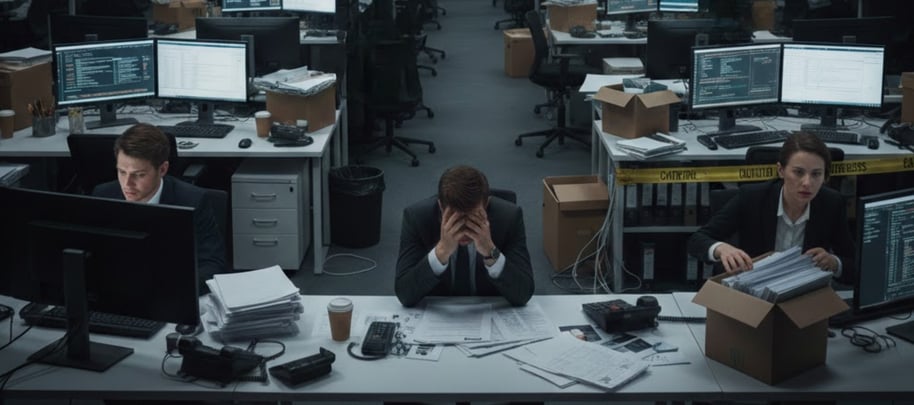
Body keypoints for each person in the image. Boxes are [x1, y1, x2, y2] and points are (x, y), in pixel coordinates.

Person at [687, 131, 855, 284]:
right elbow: (697, 240)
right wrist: (721, 248)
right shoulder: (753, 198)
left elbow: (854, 263)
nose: (807, 183)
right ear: (781, 170)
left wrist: (835, 263)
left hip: (802, 293)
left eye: (816, 174)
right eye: (798, 172)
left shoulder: (832, 204)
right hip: (754, 290)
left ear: (825, 177)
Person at [92, 123, 227, 294]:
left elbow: (212, 264)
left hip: (172, 295)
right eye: (121, 172)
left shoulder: (192, 201)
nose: (127, 184)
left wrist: (169, 289)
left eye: (139, 175)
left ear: (162, 169)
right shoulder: (103, 195)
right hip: (119, 295)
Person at [395, 165, 534, 307]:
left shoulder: (509, 218)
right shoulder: (417, 218)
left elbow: (523, 294)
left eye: (473, 219)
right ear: (441, 208)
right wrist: (441, 252)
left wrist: (490, 252)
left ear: (486, 205)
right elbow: (405, 294)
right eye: (456, 220)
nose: (464, 230)